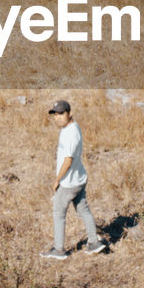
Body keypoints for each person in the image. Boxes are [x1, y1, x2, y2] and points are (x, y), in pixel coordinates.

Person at [41, 99, 105, 259]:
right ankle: (93, 242)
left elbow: (68, 161)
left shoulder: (70, 133)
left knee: (58, 212)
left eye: (61, 114)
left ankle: (59, 250)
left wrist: (57, 180)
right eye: (55, 114)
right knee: (83, 209)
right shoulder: (72, 127)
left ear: (70, 113)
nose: (57, 117)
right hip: (79, 178)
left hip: (69, 182)